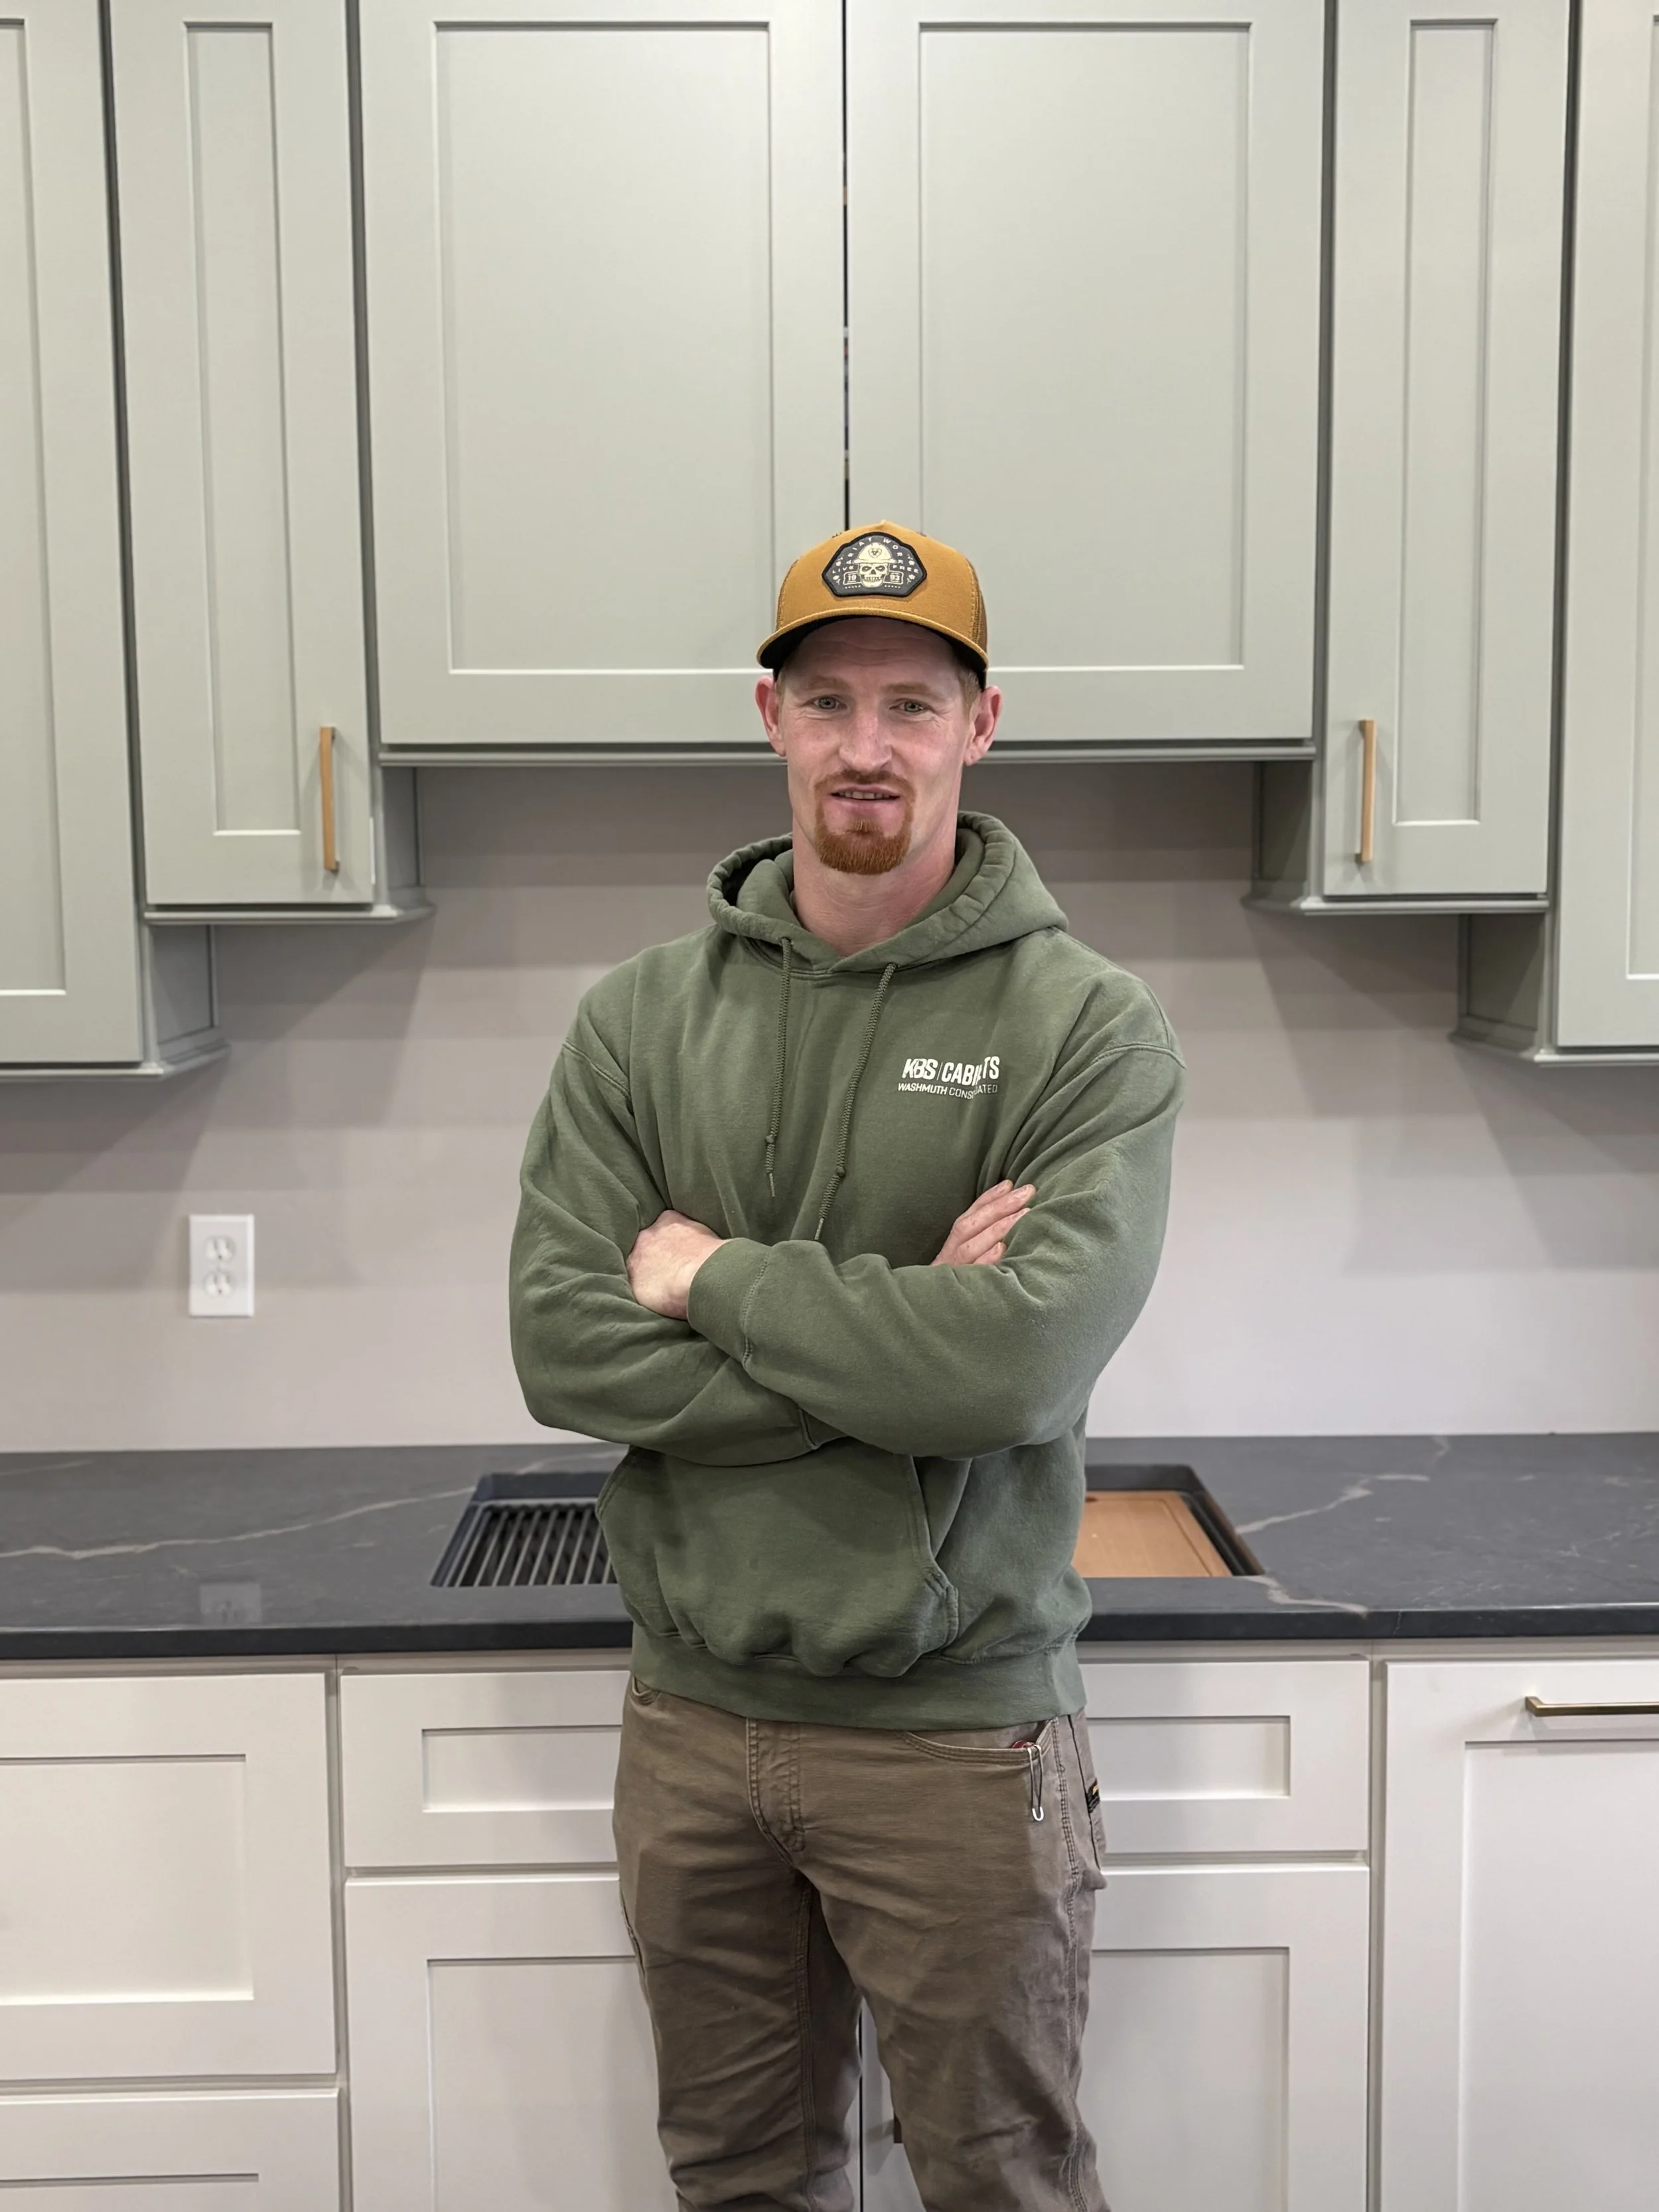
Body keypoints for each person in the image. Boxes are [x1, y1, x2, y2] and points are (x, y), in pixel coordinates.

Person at [510, 521, 1184, 2211]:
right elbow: (562, 1341)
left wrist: (710, 1274)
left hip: (955, 1738)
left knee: (1000, 2179)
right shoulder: (638, 1019)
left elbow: (1009, 1368)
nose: (865, 746)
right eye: (826, 701)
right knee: (736, 2176)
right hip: (692, 1718)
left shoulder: (1083, 1024)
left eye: (909, 702)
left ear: (981, 720)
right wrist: (896, 1339)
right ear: (769, 718)